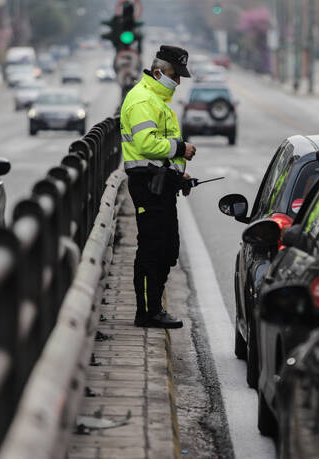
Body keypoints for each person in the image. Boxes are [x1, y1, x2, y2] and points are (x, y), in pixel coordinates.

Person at [121, 45, 196, 329]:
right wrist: (181, 147)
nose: (177, 82)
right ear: (158, 72)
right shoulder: (142, 100)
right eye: (175, 76)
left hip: (161, 185)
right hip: (147, 186)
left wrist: (180, 178)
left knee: (167, 249)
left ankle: (155, 308)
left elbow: (161, 156)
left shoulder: (156, 100)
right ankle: (148, 312)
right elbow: (146, 145)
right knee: (152, 248)